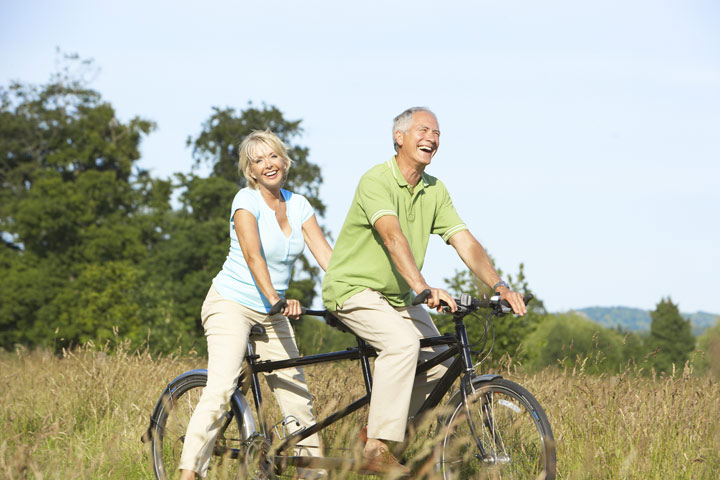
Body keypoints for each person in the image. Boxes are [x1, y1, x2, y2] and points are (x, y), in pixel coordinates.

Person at [321, 107, 527, 474]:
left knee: (441, 368)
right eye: (423, 130)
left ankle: (378, 436)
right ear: (399, 137)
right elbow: (391, 236)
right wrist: (423, 286)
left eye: (437, 133)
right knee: (403, 345)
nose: (431, 137)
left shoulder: (435, 190)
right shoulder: (376, 180)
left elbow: (463, 240)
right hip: (354, 289)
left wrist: (499, 285)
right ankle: (377, 447)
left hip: (400, 296)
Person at [179, 130, 332, 480]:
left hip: (271, 310)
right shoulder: (245, 201)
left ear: (284, 160)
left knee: (297, 397)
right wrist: (277, 298)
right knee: (221, 388)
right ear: (250, 170)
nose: (268, 164)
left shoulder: (299, 205)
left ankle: (312, 475)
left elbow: (327, 257)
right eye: (258, 160)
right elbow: (252, 255)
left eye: (273, 156)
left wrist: (351, 293)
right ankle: (188, 474)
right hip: (231, 302)